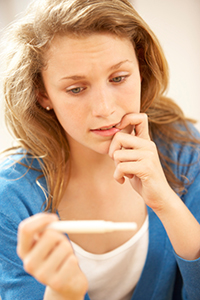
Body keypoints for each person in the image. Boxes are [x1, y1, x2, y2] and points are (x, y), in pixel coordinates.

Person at [0, 0, 200, 299]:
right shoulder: (12, 199)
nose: (105, 109)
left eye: (118, 78)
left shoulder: (183, 151)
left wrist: (167, 204)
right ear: (42, 94)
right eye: (76, 89)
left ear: (141, 67)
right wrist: (62, 292)